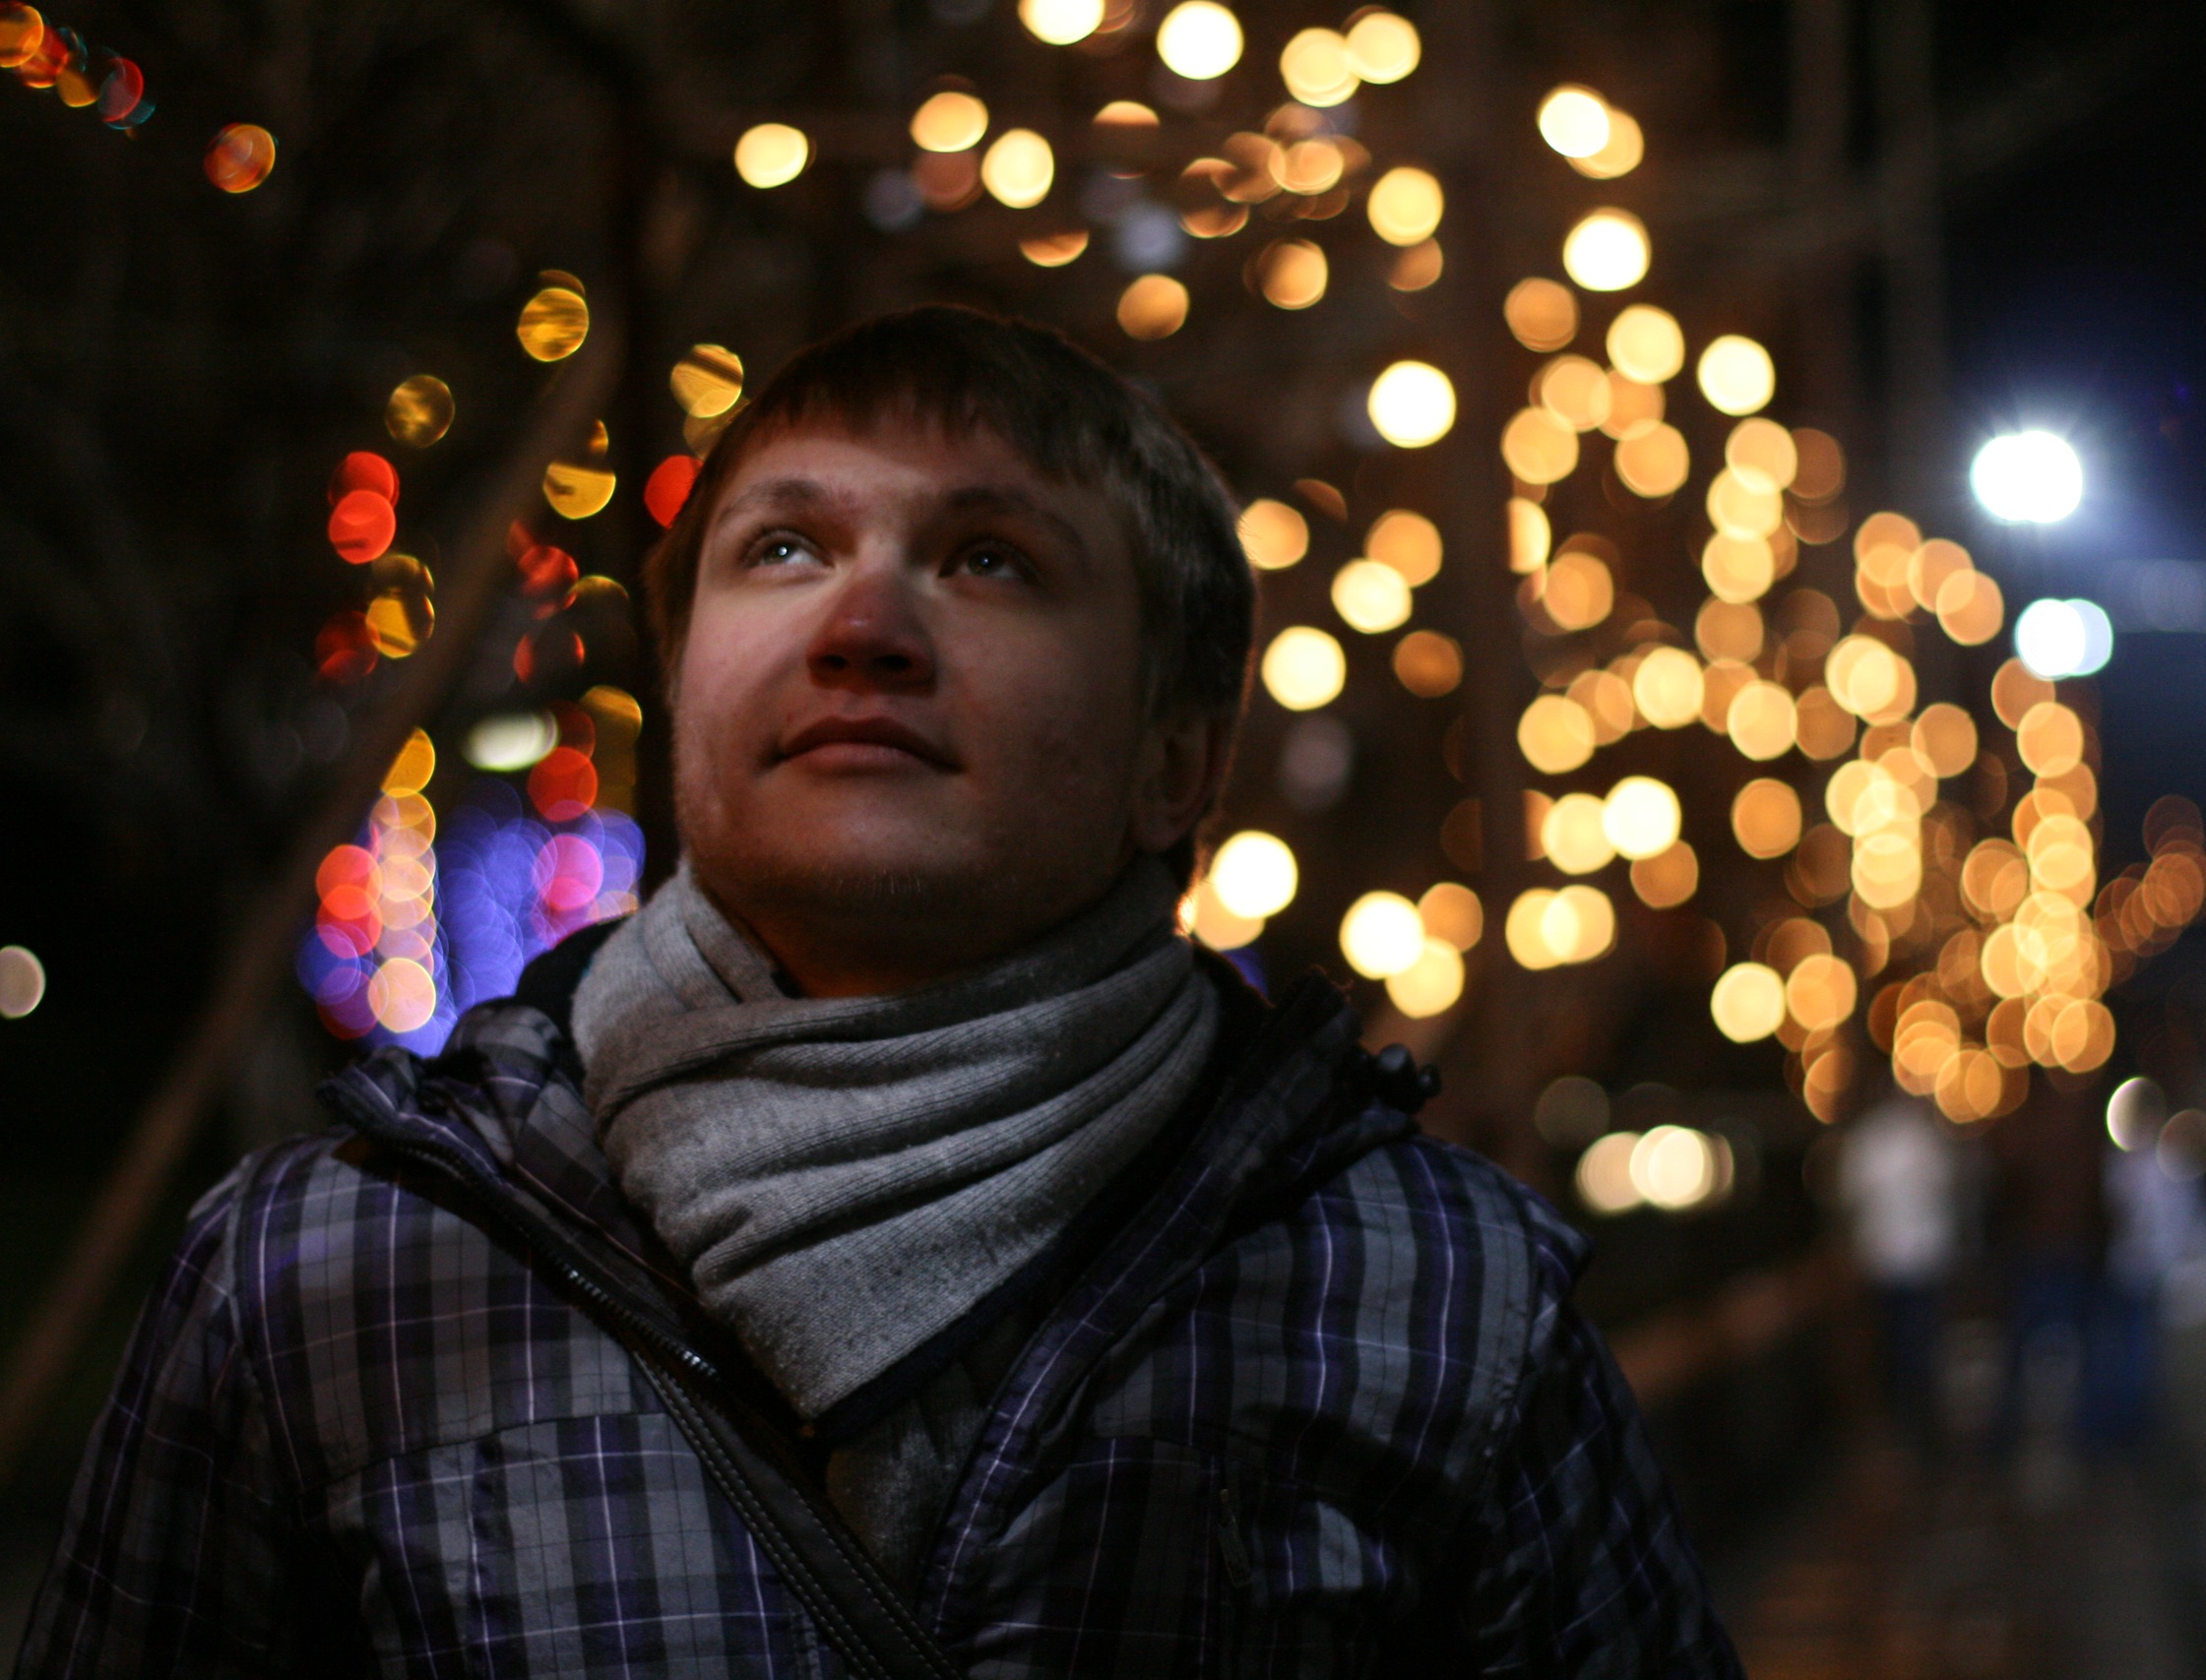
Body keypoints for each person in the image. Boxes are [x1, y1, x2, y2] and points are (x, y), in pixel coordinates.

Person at [16, 306, 1742, 1678]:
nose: (863, 625)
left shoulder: (1434, 1299)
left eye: (990, 558)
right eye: (781, 549)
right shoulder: (328, 1278)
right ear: (686, 688)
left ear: (1177, 759)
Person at [1836, 1083, 1962, 1450]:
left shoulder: (1877, 1139)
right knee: (1907, 1344)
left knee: (1905, 1344)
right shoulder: (1915, 1138)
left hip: (1906, 1262)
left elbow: (1850, 1196)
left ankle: (1909, 1421)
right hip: (1901, 1262)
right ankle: (1909, 1422)